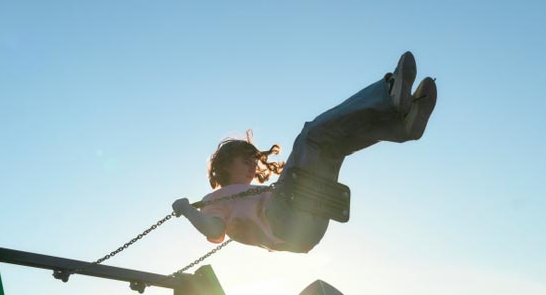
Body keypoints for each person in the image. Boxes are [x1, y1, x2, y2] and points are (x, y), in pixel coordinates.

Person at [172, 51, 437, 253]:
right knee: (312, 135)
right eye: (246, 161)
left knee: (333, 147)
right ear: (226, 166)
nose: (254, 166)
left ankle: (403, 126)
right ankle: (387, 95)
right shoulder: (215, 199)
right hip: (286, 218)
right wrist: (186, 209)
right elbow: (214, 230)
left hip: (307, 228)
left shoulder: (250, 195)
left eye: (254, 160)